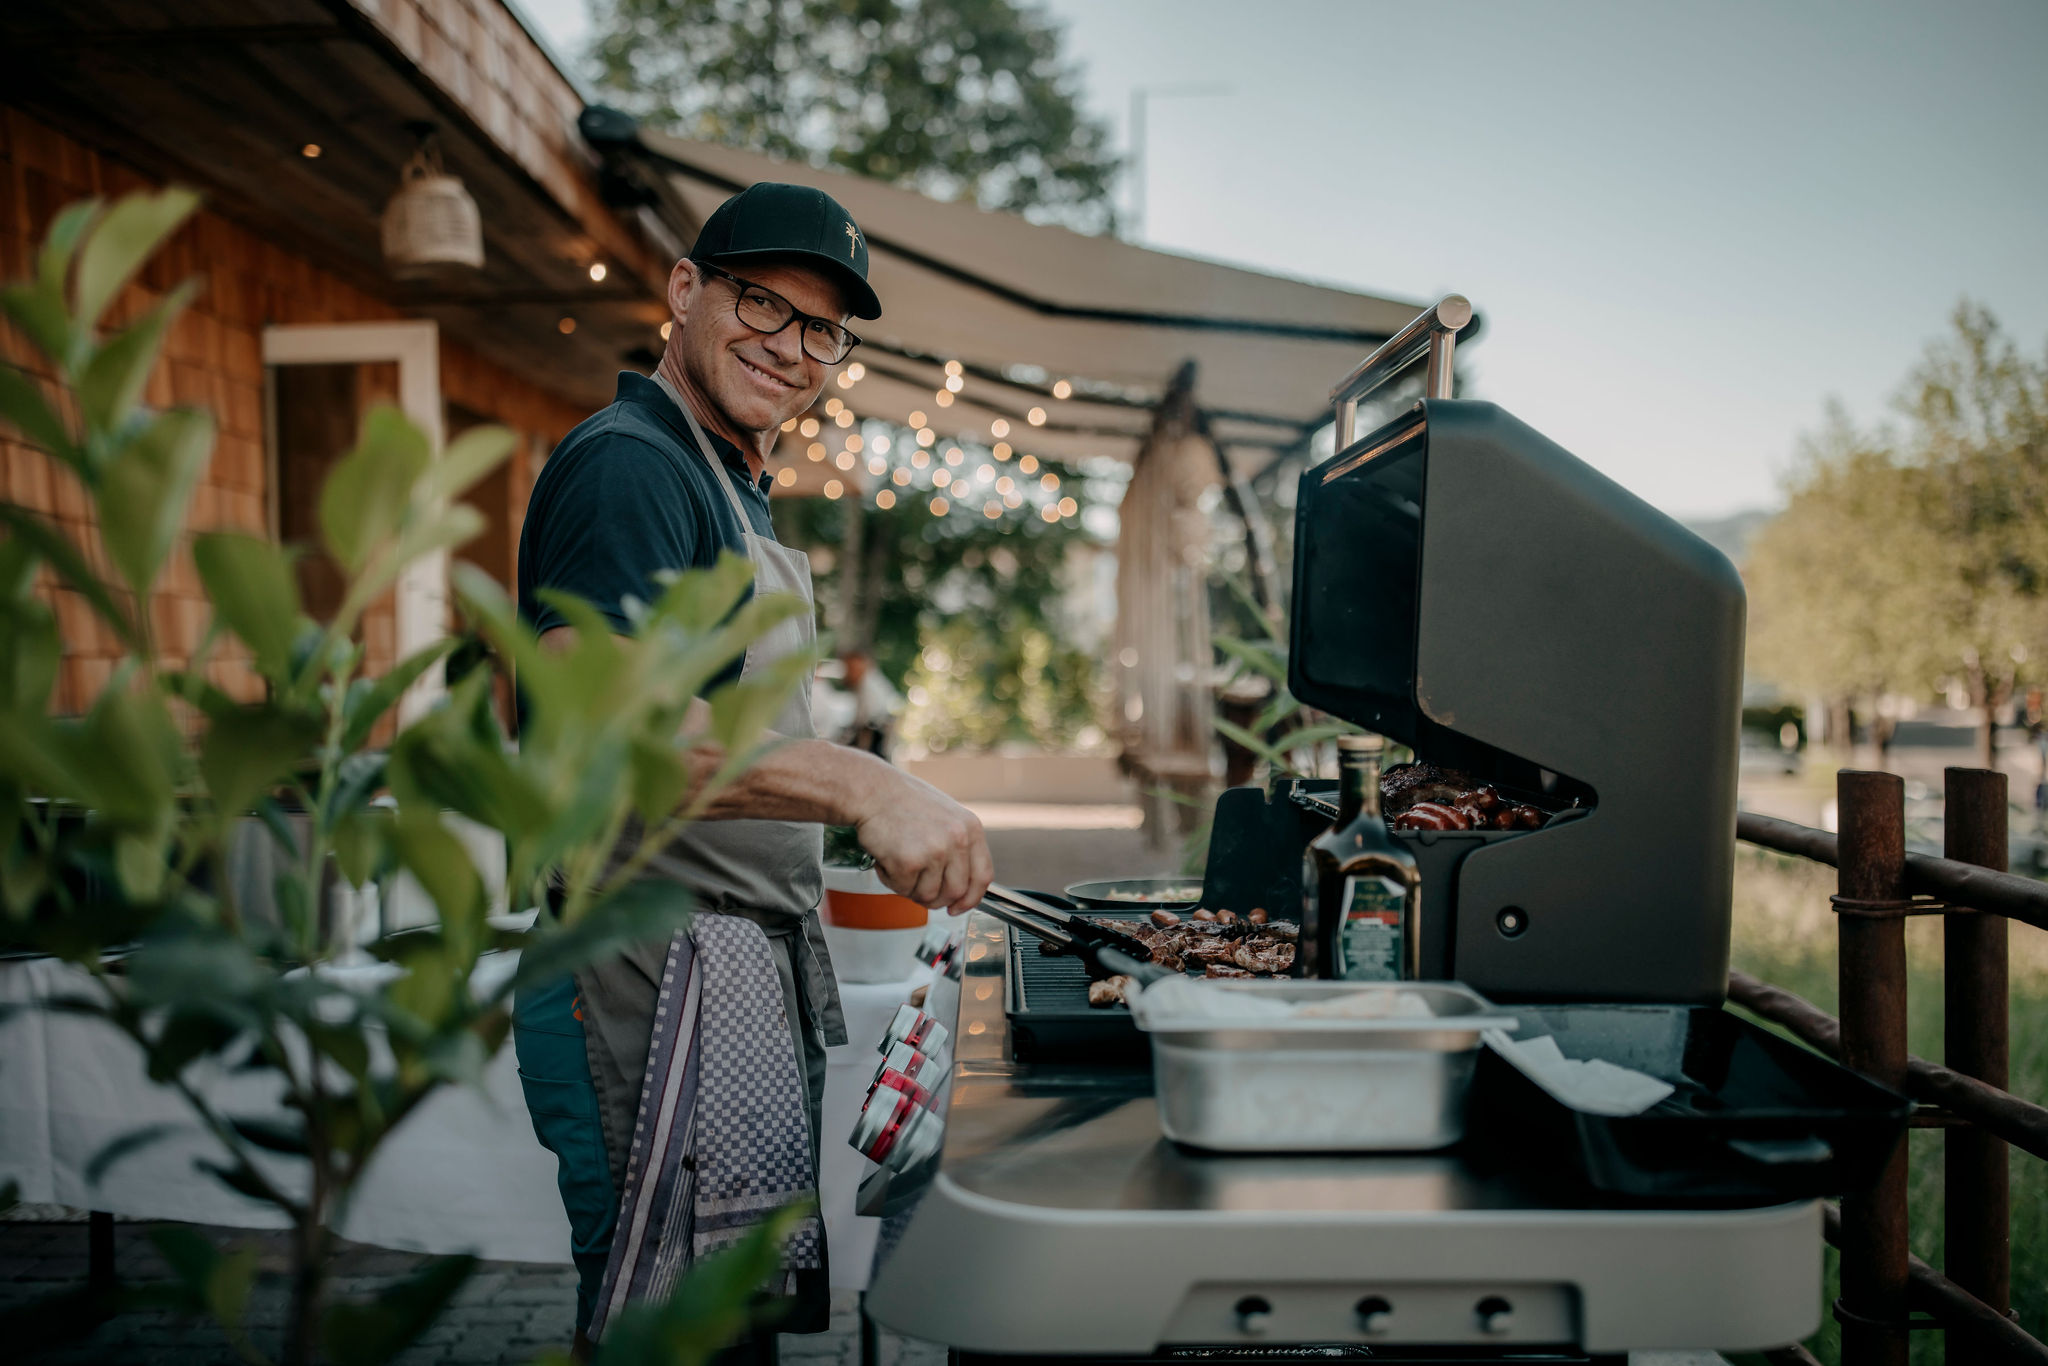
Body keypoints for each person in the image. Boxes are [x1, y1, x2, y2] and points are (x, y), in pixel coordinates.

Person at [511, 182, 993, 1357]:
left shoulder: (726, 481)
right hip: (639, 979)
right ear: (684, 289)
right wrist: (864, 787)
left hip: (716, 971)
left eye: (821, 328)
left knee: (725, 1334)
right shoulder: (631, 466)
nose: (790, 346)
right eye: (761, 303)